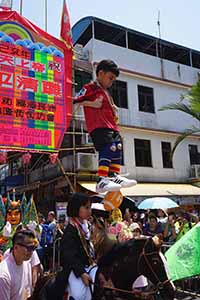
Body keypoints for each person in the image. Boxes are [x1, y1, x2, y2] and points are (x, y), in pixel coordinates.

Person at [73, 59, 137, 193]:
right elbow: (74, 102)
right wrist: (92, 104)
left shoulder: (106, 91)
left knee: (118, 147)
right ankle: (101, 180)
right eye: (110, 78)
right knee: (109, 147)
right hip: (98, 125)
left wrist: (113, 108)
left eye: (113, 79)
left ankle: (113, 176)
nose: (111, 82)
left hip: (111, 125)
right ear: (101, 73)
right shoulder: (89, 87)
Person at [59, 193, 97, 300]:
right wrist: (82, 273)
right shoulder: (70, 230)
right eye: (86, 208)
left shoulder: (88, 227)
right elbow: (69, 256)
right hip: (75, 269)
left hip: (90, 266)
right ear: (76, 208)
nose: (89, 211)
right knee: (78, 295)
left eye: (90, 207)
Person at [0, 229, 38, 300]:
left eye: (33, 248)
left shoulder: (26, 263)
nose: (32, 252)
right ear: (16, 247)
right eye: (29, 248)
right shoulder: (3, 275)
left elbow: (25, 292)